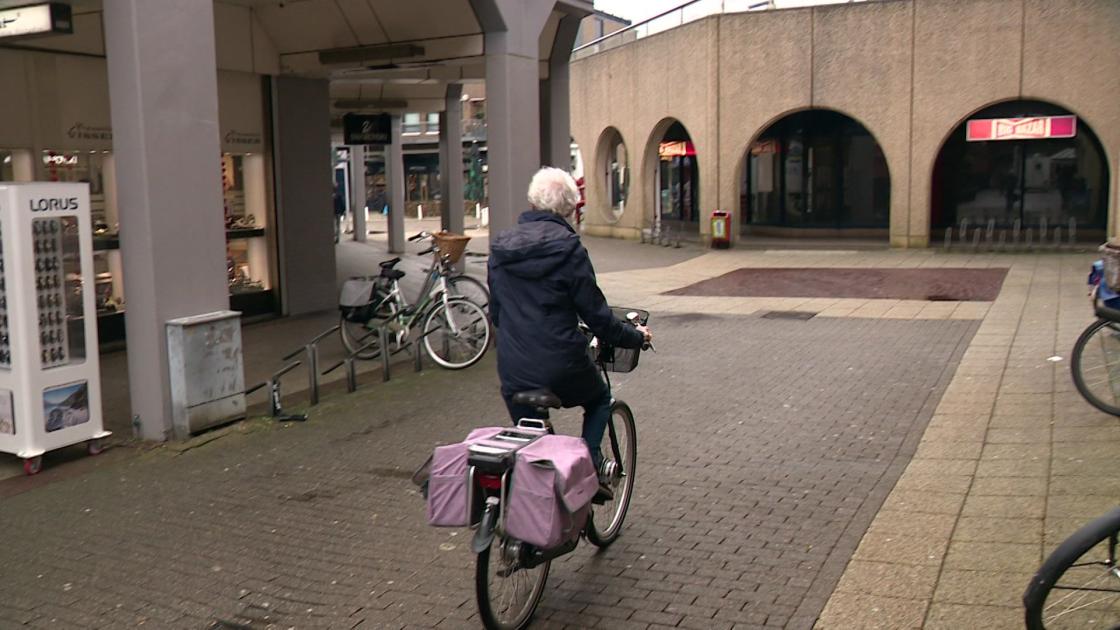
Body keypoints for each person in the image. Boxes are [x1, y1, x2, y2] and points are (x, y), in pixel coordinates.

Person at [487, 167, 652, 498]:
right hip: (560, 364)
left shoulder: (501, 247)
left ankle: (532, 512)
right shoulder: (569, 247)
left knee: (530, 444)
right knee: (600, 398)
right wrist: (637, 337)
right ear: (570, 209)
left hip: (514, 368)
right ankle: (590, 463)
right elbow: (598, 317)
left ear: (532, 202)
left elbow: (498, 314)